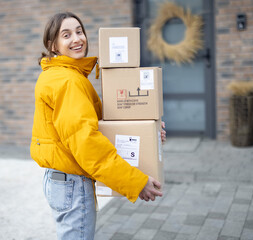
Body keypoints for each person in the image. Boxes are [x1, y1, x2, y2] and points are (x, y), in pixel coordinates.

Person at [30, 12, 165, 240]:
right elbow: (87, 144)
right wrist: (136, 182)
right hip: (72, 182)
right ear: (53, 45)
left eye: (79, 31)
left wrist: (147, 132)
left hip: (63, 180)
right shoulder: (67, 82)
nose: (77, 39)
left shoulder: (62, 76)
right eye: (66, 35)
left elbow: (94, 128)